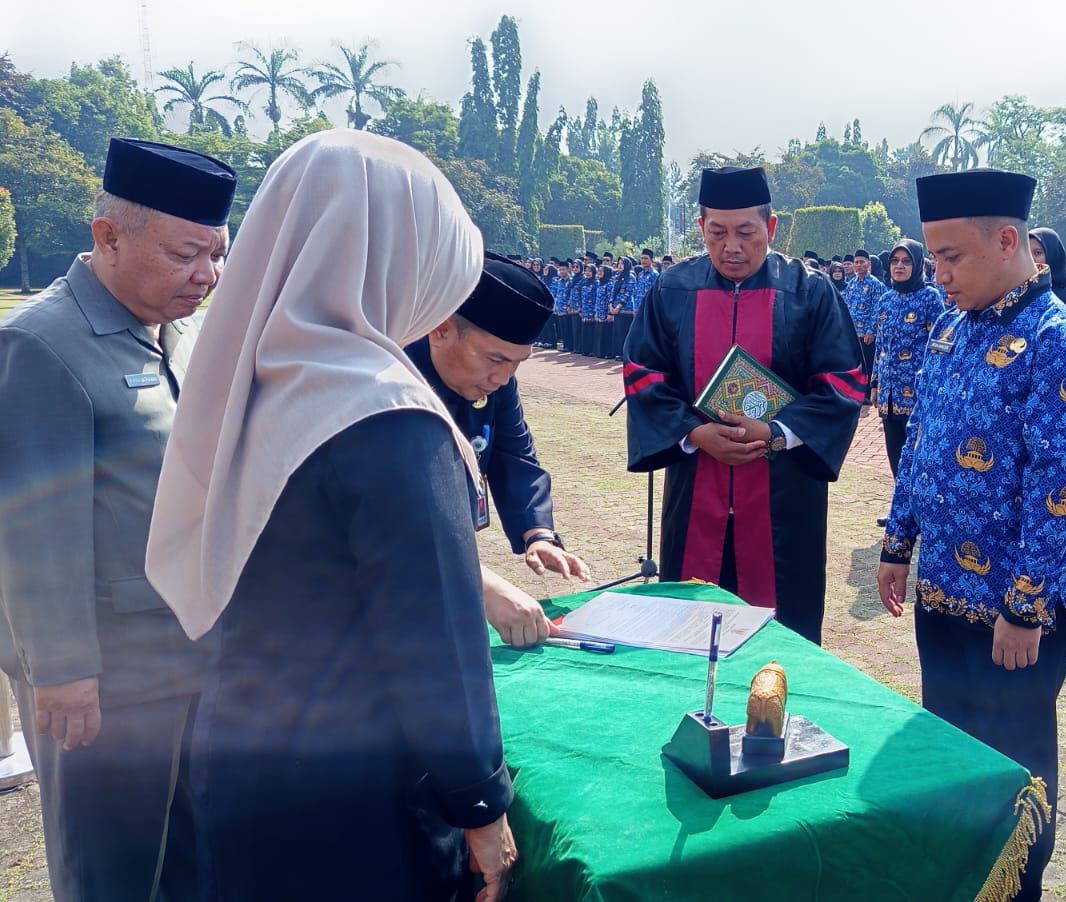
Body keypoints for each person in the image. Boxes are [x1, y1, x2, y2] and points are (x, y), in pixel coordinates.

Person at [143, 130, 518, 900]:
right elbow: (435, 640)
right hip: (355, 801)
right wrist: (479, 802)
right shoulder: (386, 414)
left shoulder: (255, 372)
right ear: (397, 255)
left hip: (240, 754)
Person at [0, 138, 234, 900]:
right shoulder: (43, 344)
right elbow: (32, 527)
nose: (207, 275)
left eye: (217, 254)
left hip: (191, 655)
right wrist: (63, 670)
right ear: (108, 237)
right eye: (185, 255)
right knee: (112, 871)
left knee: (194, 864)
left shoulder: (183, 331)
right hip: (105, 680)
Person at [876, 168, 1066, 902]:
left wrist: (1025, 606)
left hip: (1012, 612)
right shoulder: (950, 327)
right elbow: (920, 445)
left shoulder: (1058, 341)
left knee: (1014, 773)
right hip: (944, 590)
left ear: (1008, 241)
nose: (937, 274)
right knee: (949, 756)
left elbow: (1057, 492)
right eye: (932, 258)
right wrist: (898, 543)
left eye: (951, 257)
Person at [622, 166, 864, 645]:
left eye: (746, 232)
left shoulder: (809, 291)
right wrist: (693, 432)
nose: (731, 246)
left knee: (781, 639)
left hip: (783, 494)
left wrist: (776, 433)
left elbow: (845, 382)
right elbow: (642, 372)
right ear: (701, 228)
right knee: (691, 630)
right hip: (697, 482)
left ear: (770, 227)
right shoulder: (672, 289)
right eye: (717, 232)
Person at [406, 252, 594, 646]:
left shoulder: (494, 383)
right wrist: (482, 585)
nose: (503, 378)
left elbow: (514, 453)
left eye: (517, 364)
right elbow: (387, 512)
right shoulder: (389, 382)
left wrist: (537, 533)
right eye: (495, 359)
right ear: (441, 330)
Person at [871, 238, 946, 489]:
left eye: (906, 261)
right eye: (894, 261)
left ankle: (917, 504)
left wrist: (933, 386)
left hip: (916, 394)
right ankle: (900, 503)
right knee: (895, 456)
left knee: (917, 457)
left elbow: (939, 346)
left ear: (917, 265)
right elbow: (880, 346)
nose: (899, 266)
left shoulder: (929, 298)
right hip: (889, 394)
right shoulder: (886, 299)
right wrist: (875, 384)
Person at [845, 249, 887, 384]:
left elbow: (876, 309)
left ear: (868, 264)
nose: (859, 265)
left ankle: (868, 391)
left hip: (866, 334)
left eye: (862, 262)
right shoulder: (851, 283)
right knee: (853, 364)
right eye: (856, 262)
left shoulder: (875, 284)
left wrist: (871, 331)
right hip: (852, 332)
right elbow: (846, 305)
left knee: (867, 365)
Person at [1029, 227, 1066, 319]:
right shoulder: (1016, 293)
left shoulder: (1064, 297)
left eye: (1038, 253)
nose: (1031, 259)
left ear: (1052, 256)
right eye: (1027, 253)